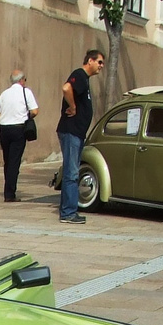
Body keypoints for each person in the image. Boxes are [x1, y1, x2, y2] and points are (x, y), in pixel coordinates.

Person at [58, 49, 105, 223]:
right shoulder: (79, 74)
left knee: (72, 171)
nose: (101, 66)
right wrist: (73, 107)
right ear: (90, 61)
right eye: (99, 62)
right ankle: (68, 213)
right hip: (71, 131)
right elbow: (66, 88)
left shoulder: (85, 80)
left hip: (76, 133)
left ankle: (68, 210)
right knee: (71, 173)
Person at [0, 70, 39, 203]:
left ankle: (8, 188)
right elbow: (35, 111)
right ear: (22, 80)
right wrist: (25, 116)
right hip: (18, 129)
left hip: (4, 129)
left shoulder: (4, 94)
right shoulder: (26, 92)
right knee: (14, 161)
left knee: (7, 161)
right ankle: (9, 193)